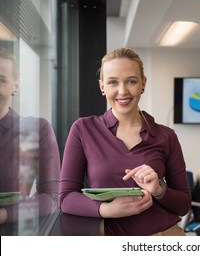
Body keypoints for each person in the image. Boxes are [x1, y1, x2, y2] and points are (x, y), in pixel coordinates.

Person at [60, 48, 191, 236]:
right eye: (113, 82)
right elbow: (65, 198)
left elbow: (184, 205)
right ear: (102, 86)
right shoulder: (83, 129)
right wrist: (106, 210)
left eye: (131, 81)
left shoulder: (166, 135)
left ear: (143, 84)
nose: (123, 91)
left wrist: (159, 189)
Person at [0, 47, 60, 234]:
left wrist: (4, 214)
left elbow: (52, 198)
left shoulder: (36, 129)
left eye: (1, 80)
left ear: (15, 86)